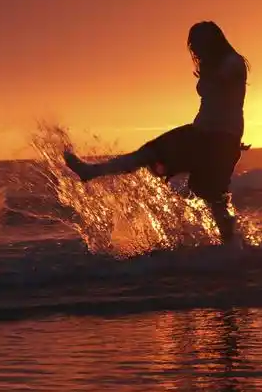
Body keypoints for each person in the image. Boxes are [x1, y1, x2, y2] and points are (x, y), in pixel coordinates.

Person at [63, 20, 249, 246]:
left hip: (217, 136)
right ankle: (91, 172)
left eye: (199, 43)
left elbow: (229, 84)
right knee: (155, 158)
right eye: (193, 45)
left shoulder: (232, 62)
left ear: (213, 40)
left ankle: (232, 246)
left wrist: (228, 142)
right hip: (204, 132)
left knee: (209, 192)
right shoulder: (214, 64)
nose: (196, 50)